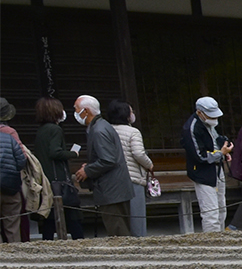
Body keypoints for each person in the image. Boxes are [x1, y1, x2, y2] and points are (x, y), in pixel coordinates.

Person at [72, 95, 133, 237]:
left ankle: (124, 258)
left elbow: (108, 160)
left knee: (118, 231)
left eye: (76, 109)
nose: (74, 113)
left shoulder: (99, 130)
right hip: (116, 188)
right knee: (120, 229)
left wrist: (87, 170)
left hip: (111, 190)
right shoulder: (102, 126)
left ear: (85, 111)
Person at [31, 97, 81, 240]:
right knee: (72, 216)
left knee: (50, 218)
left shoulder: (41, 131)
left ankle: (47, 243)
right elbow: (55, 152)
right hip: (59, 180)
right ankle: (81, 242)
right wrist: (73, 153)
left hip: (47, 179)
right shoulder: (55, 129)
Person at [180, 96, 231, 233]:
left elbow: (216, 139)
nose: (214, 118)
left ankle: (221, 240)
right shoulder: (191, 128)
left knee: (221, 208)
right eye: (210, 115)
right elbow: (199, 156)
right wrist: (221, 153)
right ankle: (212, 245)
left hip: (217, 169)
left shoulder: (210, 123)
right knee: (211, 212)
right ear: (199, 112)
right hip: (203, 172)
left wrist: (225, 148)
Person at [104, 100, 153, 236]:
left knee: (120, 219)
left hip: (113, 180)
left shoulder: (106, 130)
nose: (133, 114)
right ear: (125, 114)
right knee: (137, 218)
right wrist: (149, 164)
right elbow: (138, 153)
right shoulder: (133, 131)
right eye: (131, 112)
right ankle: (140, 244)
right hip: (133, 179)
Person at [0, 99, 30, 243]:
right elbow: (21, 160)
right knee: (12, 227)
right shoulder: (10, 134)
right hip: (9, 186)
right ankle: (16, 260)